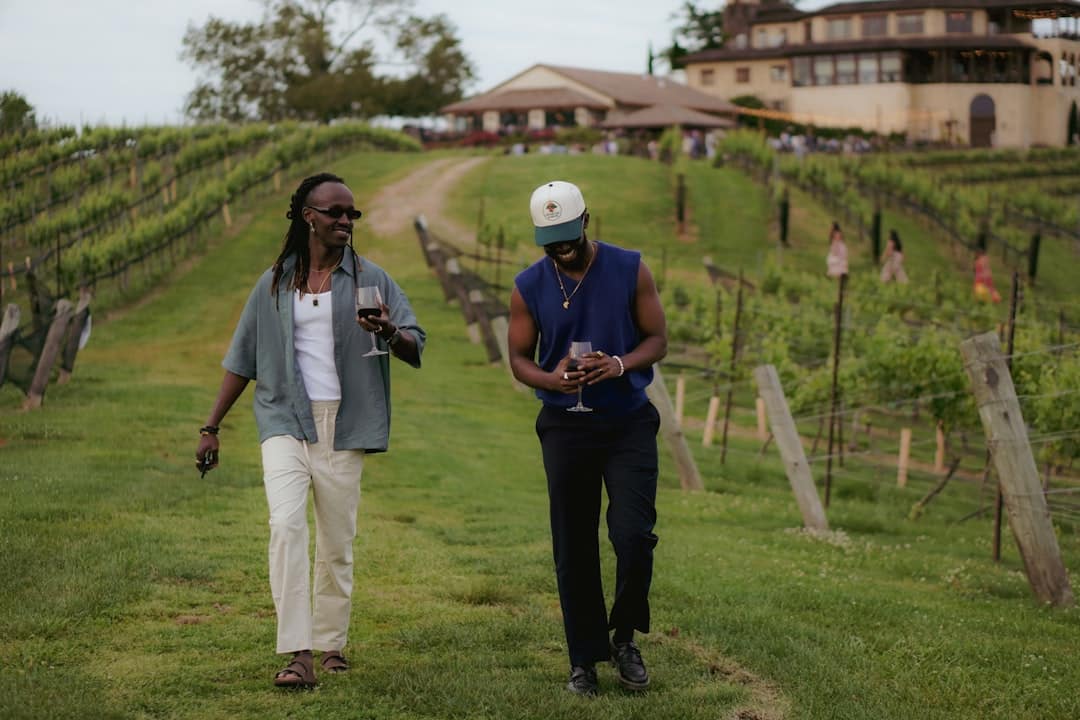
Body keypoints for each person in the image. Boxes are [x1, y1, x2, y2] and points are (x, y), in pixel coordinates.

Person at [194, 172, 425, 688]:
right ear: (308, 217)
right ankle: (297, 651)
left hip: (344, 423)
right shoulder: (274, 282)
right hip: (284, 418)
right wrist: (211, 426)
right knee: (286, 527)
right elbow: (242, 358)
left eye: (352, 214)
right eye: (335, 213)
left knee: (337, 541)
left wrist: (388, 330)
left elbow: (415, 344)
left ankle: (331, 643)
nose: (346, 221)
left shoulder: (372, 279)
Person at [507, 180, 668, 696]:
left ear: (587, 220)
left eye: (568, 235)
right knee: (573, 545)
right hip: (565, 428)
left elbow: (658, 339)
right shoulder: (528, 285)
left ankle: (624, 638)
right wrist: (552, 380)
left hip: (628, 423)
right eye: (549, 237)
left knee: (633, 536)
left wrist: (620, 363)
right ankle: (583, 659)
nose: (560, 247)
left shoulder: (629, 268)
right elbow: (518, 359)